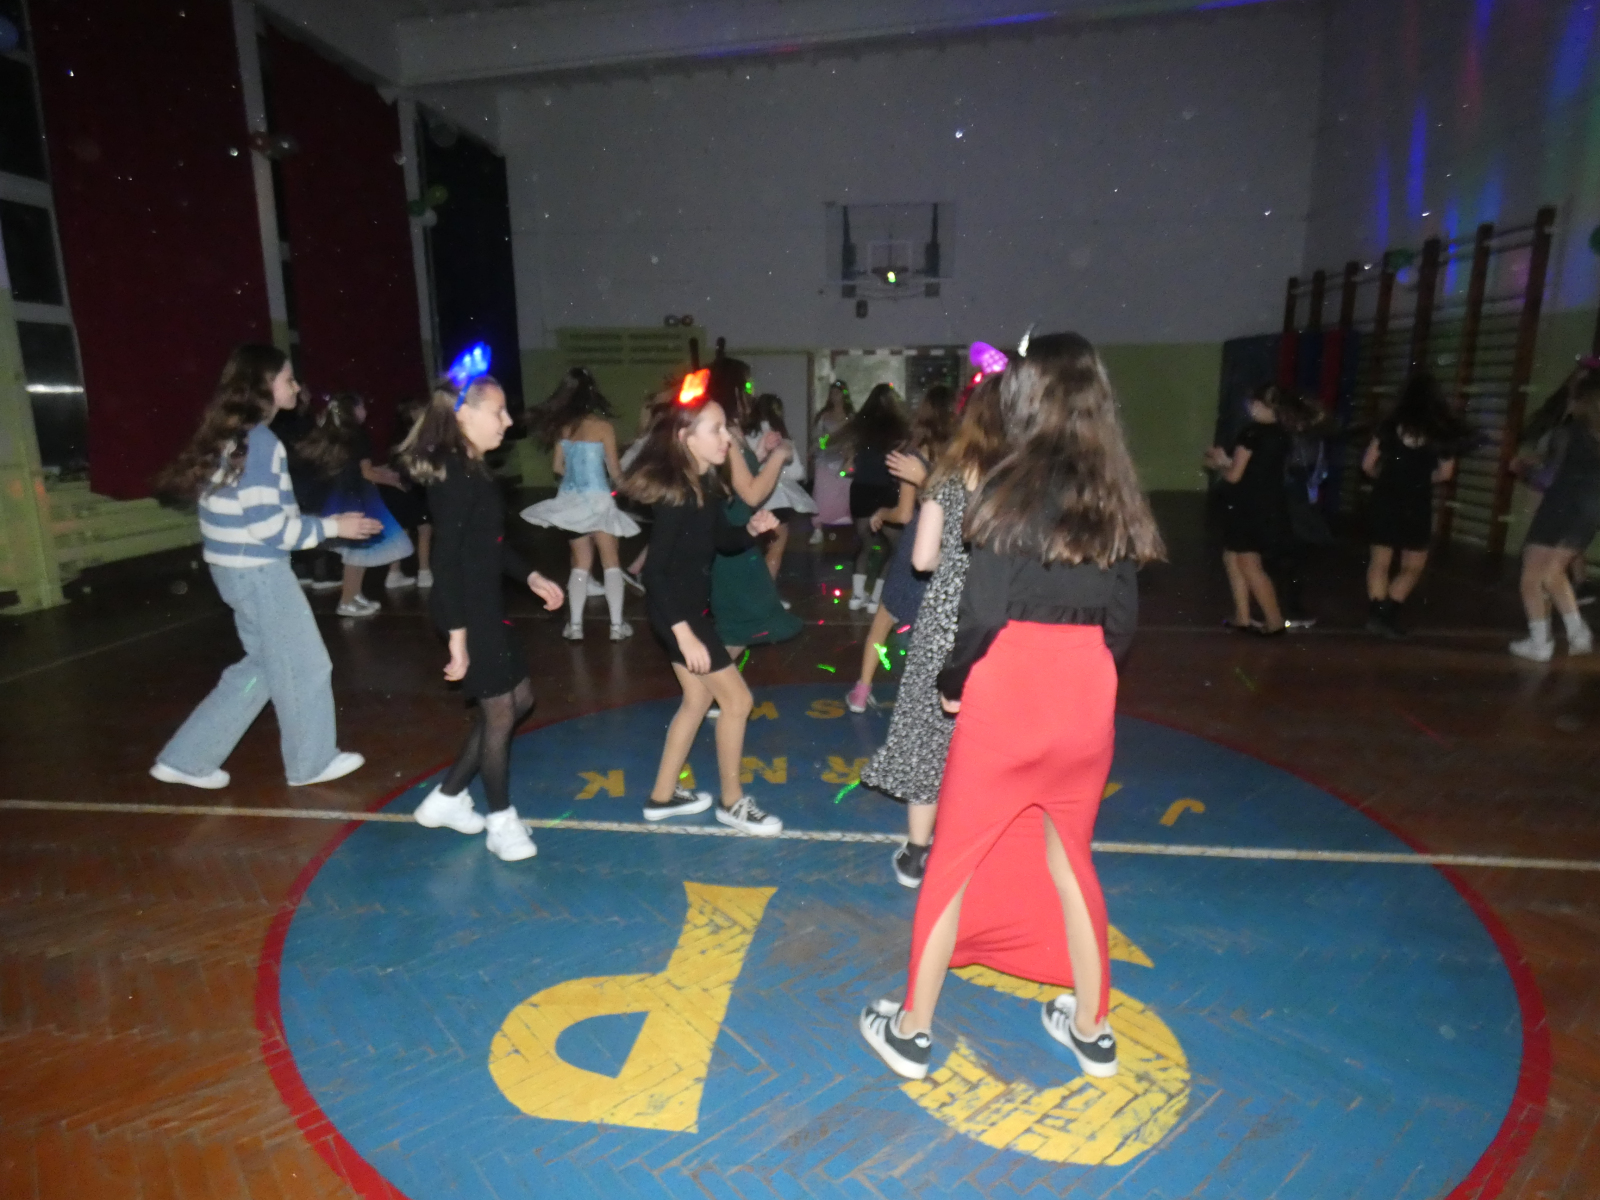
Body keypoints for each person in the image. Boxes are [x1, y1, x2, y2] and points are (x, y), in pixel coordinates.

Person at [858, 332, 1164, 1083]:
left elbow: (984, 609)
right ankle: (1092, 1029)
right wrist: (1088, 675)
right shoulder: (1115, 497)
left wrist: (955, 678)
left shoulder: (1005, 488)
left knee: (952, 865)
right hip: (1086, 690)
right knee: (1073, 863)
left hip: (1008, 688)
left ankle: (912, 1031)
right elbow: (1123, 620)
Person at [149, 345, 380, 790]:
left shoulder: (230, 436)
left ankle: (187, 759)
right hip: (259, 572)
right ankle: (311, 762)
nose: (296, 385)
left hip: (233, 569)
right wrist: (334, 526)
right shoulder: (261, 443)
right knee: (307, 665)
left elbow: (243, 515)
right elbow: (270, 527)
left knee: (264, 666)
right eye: (288, 378)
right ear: (263, 386)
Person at [403, 375, 566, 862]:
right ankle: (501, 821)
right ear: (464, 414)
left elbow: (488, 544)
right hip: (467, 612)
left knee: (520, 698)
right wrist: (457, 637)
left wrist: (531, 574)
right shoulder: (453, 475)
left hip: (485, 607)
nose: (508, 421)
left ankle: (448, 798)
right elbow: (447, 560)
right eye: (498, 411)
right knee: (499, 711)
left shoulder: (472, 468)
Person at [622, 369, 786, 836]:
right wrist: (685, 634)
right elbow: (655, 573)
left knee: (696, 701)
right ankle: (732, 803)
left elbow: (721, 541)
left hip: (686, 614)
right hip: (678, 616)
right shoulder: (677, 496)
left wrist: (750, 530)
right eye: (716, 430)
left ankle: (662, 797)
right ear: (685, 437)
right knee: (738, 701)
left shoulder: (704, 486)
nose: (727, 439)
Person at [859, 375, 1006, 887]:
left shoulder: (946, 477)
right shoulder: (1018, 482)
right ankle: (981, 846)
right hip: (1000, 618)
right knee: (987, 736)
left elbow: (922, 559)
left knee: (928, 731)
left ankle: (917, 854)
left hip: (946, 619)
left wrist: (955, 565)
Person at [845, 384, 958, 713]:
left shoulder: (915, 455)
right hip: (948, 545)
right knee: (938, 627)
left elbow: (905, 513)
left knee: (882, 622)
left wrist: (882, 512)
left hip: (917, 543)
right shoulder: (962, 455)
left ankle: (861, 693)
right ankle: (937, 697)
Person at [520, 367, 641, 641]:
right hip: (598, 501)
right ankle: (616, 626)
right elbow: (615, 472)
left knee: (580, 564)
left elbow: (557, 467)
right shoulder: (603, 427)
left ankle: (574, 626)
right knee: (611, 562)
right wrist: (632, 487)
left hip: (571, 501)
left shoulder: (564, 428)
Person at [706, 347, 803, 653]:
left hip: (740, 535)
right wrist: (779, 455)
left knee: (740, 628)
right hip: (732, 537)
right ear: (733, 389)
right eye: (747, 385)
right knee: (740, 625)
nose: (752, 392)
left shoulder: (731, 429)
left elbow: (738, 478)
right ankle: (709, 683)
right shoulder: (724, 432)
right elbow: (751, 492)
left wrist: (761, 452)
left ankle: (714, 683)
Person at [1361, 373, 1469, 638]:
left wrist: (1386, 477)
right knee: (1413, 565)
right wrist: (1419, 479)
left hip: (1385, 497)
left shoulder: (1388, 426)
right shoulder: (1442, 432)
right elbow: (1446, 474)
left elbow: (1367, 465)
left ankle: (1377, 613)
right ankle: (1388, 612)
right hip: (1417, 501)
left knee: (1379, 561)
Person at [1510, 368, 1600, 662]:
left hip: (1561, 505)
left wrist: (1522, 470)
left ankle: (1540, 643)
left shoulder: (1568, 432)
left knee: (1531, 576)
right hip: (1590, 509)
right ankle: (1577, 633)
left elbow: (1548, 476)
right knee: (1554, 572)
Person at [297, 393, 414, 617]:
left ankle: (354, 595)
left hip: (346, 495)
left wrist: (386, 474)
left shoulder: (340, 434)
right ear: (353, 410)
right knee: (358, 552)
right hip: (357, 498)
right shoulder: (357, 435)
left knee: (360, 550)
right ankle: (347, 601)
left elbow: (360, 469)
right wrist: (394, 481)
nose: (365, 411)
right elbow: (367, 473)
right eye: (362, 407)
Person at [1202, 384, 1297, 635]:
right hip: (1268, 504)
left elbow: (1235, 475)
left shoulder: (1251, 433)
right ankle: (1242, 616)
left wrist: (1219, 464)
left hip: (1247, 505)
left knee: (1247, 562)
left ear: (1258, 404)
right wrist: (1228, 462)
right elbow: (1257, 468)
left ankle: (1274, 621)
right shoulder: (1281, 433)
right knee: (1233, 556)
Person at [841, 383, 913, 612]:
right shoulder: (899, 429)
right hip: (885, 489)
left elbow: (846, 460)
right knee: (895, 547)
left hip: (861, 490)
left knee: (865, 544)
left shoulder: (860, 427)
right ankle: (876, 598)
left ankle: (857, 596)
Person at [748, 392, 817, 578]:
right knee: (775, 551)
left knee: (755, 551)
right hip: (778, 501)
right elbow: (798, 472)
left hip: (753, 501)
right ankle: (767, 592)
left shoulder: (747, 435)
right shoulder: (780, 437)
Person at [379, 395, 435, 591]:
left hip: (398, 487)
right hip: (411, 487)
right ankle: (424, 572)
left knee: (401, 530)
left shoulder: (397, 434)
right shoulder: (416, 434)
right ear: (412, 412)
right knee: (424, 528)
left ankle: (394, 573)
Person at [810, 381, 854, 543]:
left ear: (844, 394)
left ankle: (844, 526)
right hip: (824, 461)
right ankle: (818, 529)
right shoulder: (823, 416)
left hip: (844, 462)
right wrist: (823, 444)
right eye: (832, 392)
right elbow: (818, 439)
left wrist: (849, 454)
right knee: (821, 494)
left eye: (838, 392)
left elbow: (855, 440)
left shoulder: (851, 417)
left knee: (843, 494)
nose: (835, 396)